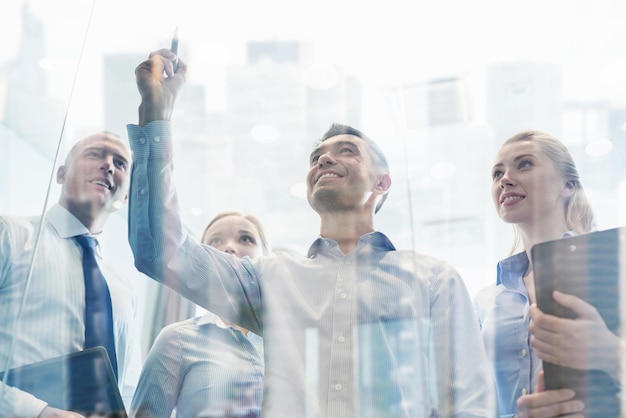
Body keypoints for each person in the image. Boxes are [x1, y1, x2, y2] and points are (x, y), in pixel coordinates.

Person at [127, 48, 495, 417]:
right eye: (316, 156)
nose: (324, 159)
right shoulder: (270, 280)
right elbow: (161, 251)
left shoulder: (433, 280)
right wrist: (155, 115)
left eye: (346, 151)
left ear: (382, 182)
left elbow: (468, 405)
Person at [473, 129, 626, 417]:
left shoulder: (615, 271)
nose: (504, 179)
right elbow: (472, 404)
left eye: (525, 164)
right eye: (496, 174)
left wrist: (611, 354)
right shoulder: (485, 302)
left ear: (567, 185)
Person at [0, 131, 142, 417]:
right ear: (61, 174)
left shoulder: (123, 288)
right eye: (94, 154)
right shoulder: (10, 236)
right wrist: (36, 412)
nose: (108, 165)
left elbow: (128, 388)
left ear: (126, 196)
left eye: (120, 163)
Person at [130, 211, 267, 418]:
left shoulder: (293, 341)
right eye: (215, 241)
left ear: (267, 258)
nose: (229, 246)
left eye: (246, 238)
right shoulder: (177, 340)